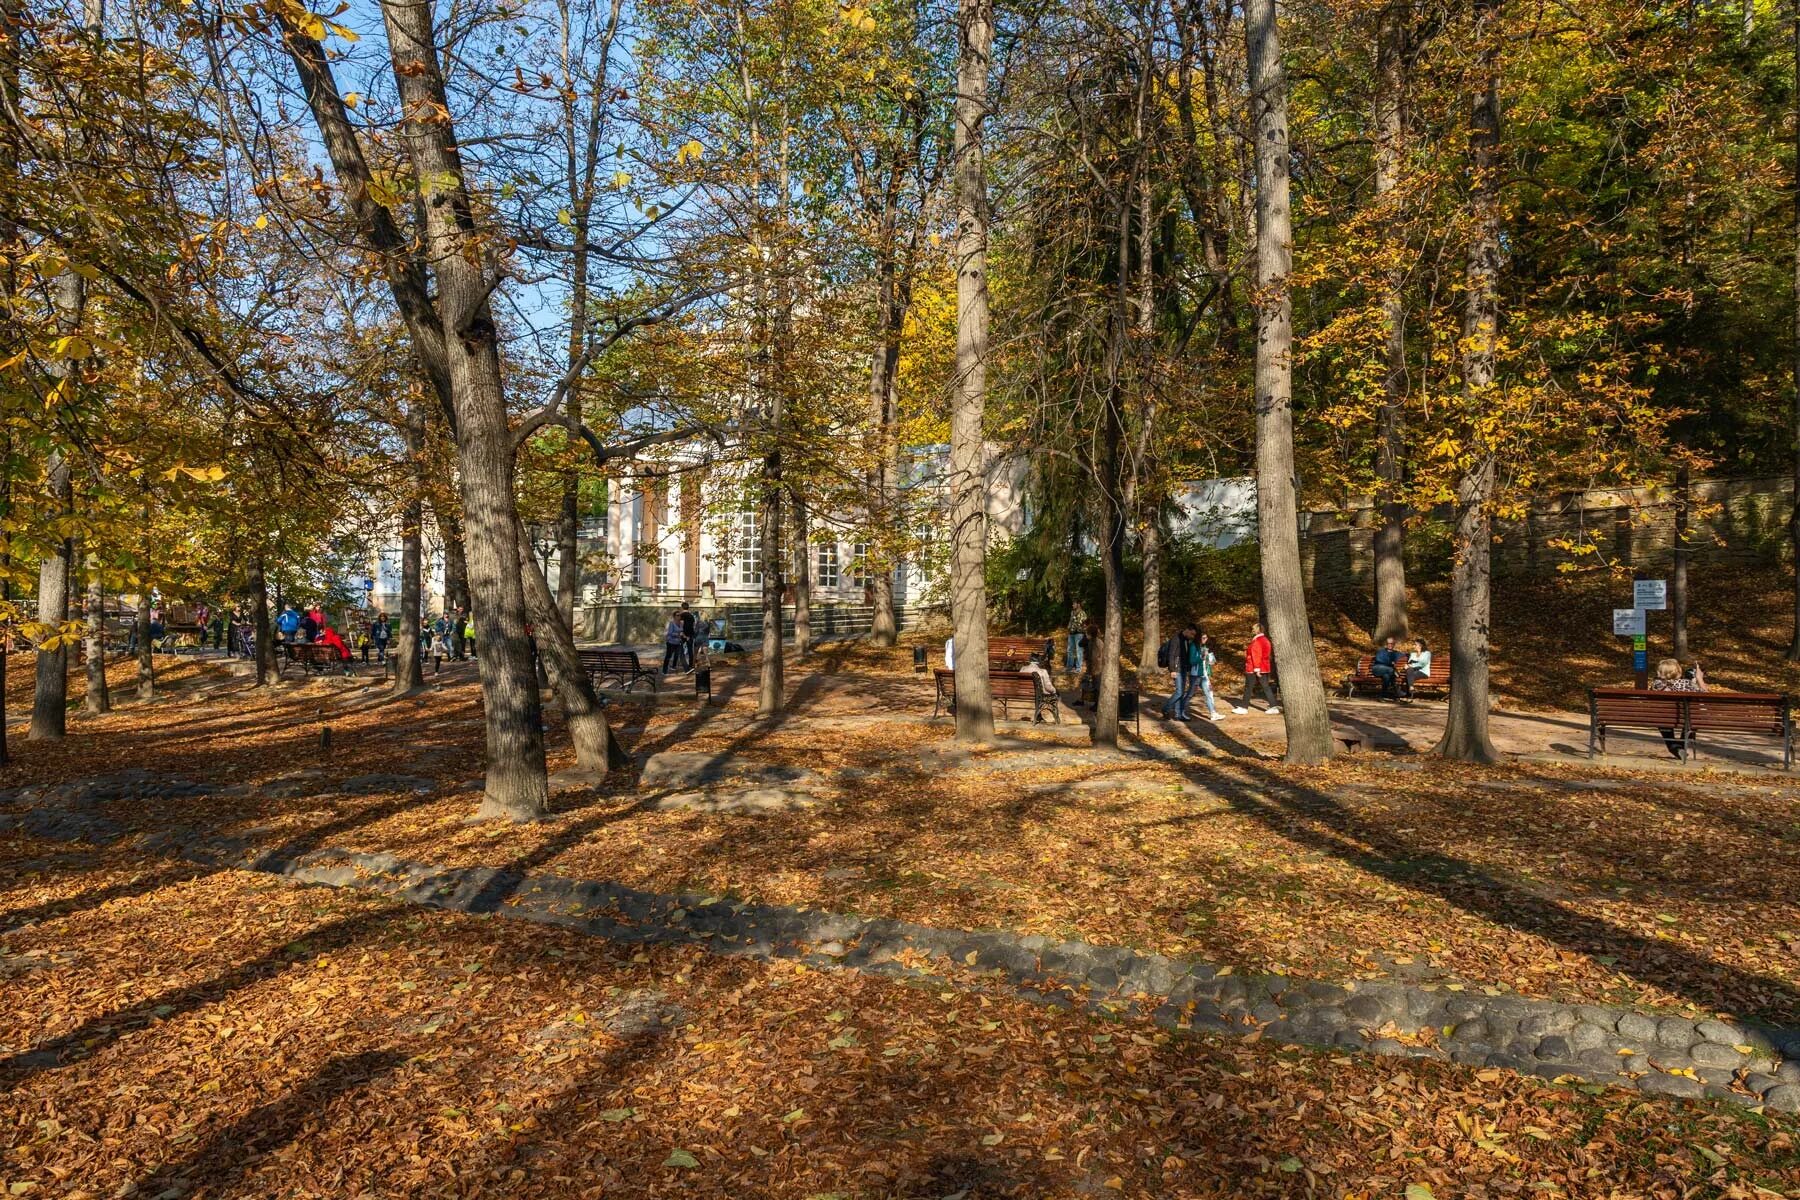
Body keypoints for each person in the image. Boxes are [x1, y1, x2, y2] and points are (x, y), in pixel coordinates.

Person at [1649, 656, 1706, 760]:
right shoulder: (1687, 684)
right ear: (1679, 672)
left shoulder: (1656, 685)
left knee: (1663, 720)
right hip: (1687, 719)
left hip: (1663, 718)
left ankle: (1675, 748)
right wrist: (1699, 678)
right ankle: (1680, 746)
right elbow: (1706, 696)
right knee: (1692, 722)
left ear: (1660, 672)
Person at [1232, 621, 1280, 714]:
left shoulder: (1257, 641)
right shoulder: (1266, 640)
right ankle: (1273, 706)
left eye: (1253, 629)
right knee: (1266, 686)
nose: (1252, 630)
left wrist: (1257, 668)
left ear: (1257, 630)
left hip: (1254, 667)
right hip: (1264, 666)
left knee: (1248, 687)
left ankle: (1244, 707)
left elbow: (1256, 655)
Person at [1160, 625, 1193, 720]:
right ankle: (1166, 708)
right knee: (1179, 692)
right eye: (1191, 633)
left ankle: (1178, 714)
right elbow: (1171, 655)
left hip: (1183, 669)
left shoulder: (1186, 640)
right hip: (1176, 669)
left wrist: (1188, 668)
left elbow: (1185, 656)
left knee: (1181, 692)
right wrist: (1172, 670)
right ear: (1187, 630)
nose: (1192, 636)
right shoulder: (1176, 639)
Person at [1192, 629, 1220, 721]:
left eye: (1206, 638)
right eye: (1203, 638)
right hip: (1197, 674)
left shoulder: (1204, 647)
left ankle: (1213, 713)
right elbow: (1193, 660)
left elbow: (1209, 662)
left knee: (1209, 693)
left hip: (1204, 674)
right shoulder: (1194, 646)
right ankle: (1177, 709)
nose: (1205, 639)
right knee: (1189, 694)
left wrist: (1210, 658)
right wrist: (1202, 657)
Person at [1371, 635, 1403, 700]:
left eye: (1391, 643)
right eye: (1388, 643)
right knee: (1391, 670)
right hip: (1377, 668)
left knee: (1387, 677)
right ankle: (1396, 690)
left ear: (1394, 644)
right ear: (1386, 644)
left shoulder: (1396, 653)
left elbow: (1405, 655)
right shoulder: (1381, 651)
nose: (1390, 645)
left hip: (1387, 672)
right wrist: (1390, 662)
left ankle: (1383, 695)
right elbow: (1379, 659)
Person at [662, 610, 685, 674]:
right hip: (671, 642)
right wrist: (678, 634)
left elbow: (681, 631)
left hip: (678, 642)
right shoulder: (672, 623)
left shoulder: (681, 623)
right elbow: (670, 633)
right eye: (677, 615)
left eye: (680, 615)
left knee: (677, 655)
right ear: (674, 616)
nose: (679, 616)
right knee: (668, 656)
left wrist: (682, 634)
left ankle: (674, 667)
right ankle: (664, 670)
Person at [679, 605, 698, 669]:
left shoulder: (682, 615)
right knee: (690, 650)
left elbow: (681, 624)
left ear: (682, 607)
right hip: (690, 634)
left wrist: (681, 632)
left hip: (683, 634)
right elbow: (693, 625)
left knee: (680, 649)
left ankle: (683, 664)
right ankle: (691, 665)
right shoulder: (691, 616)